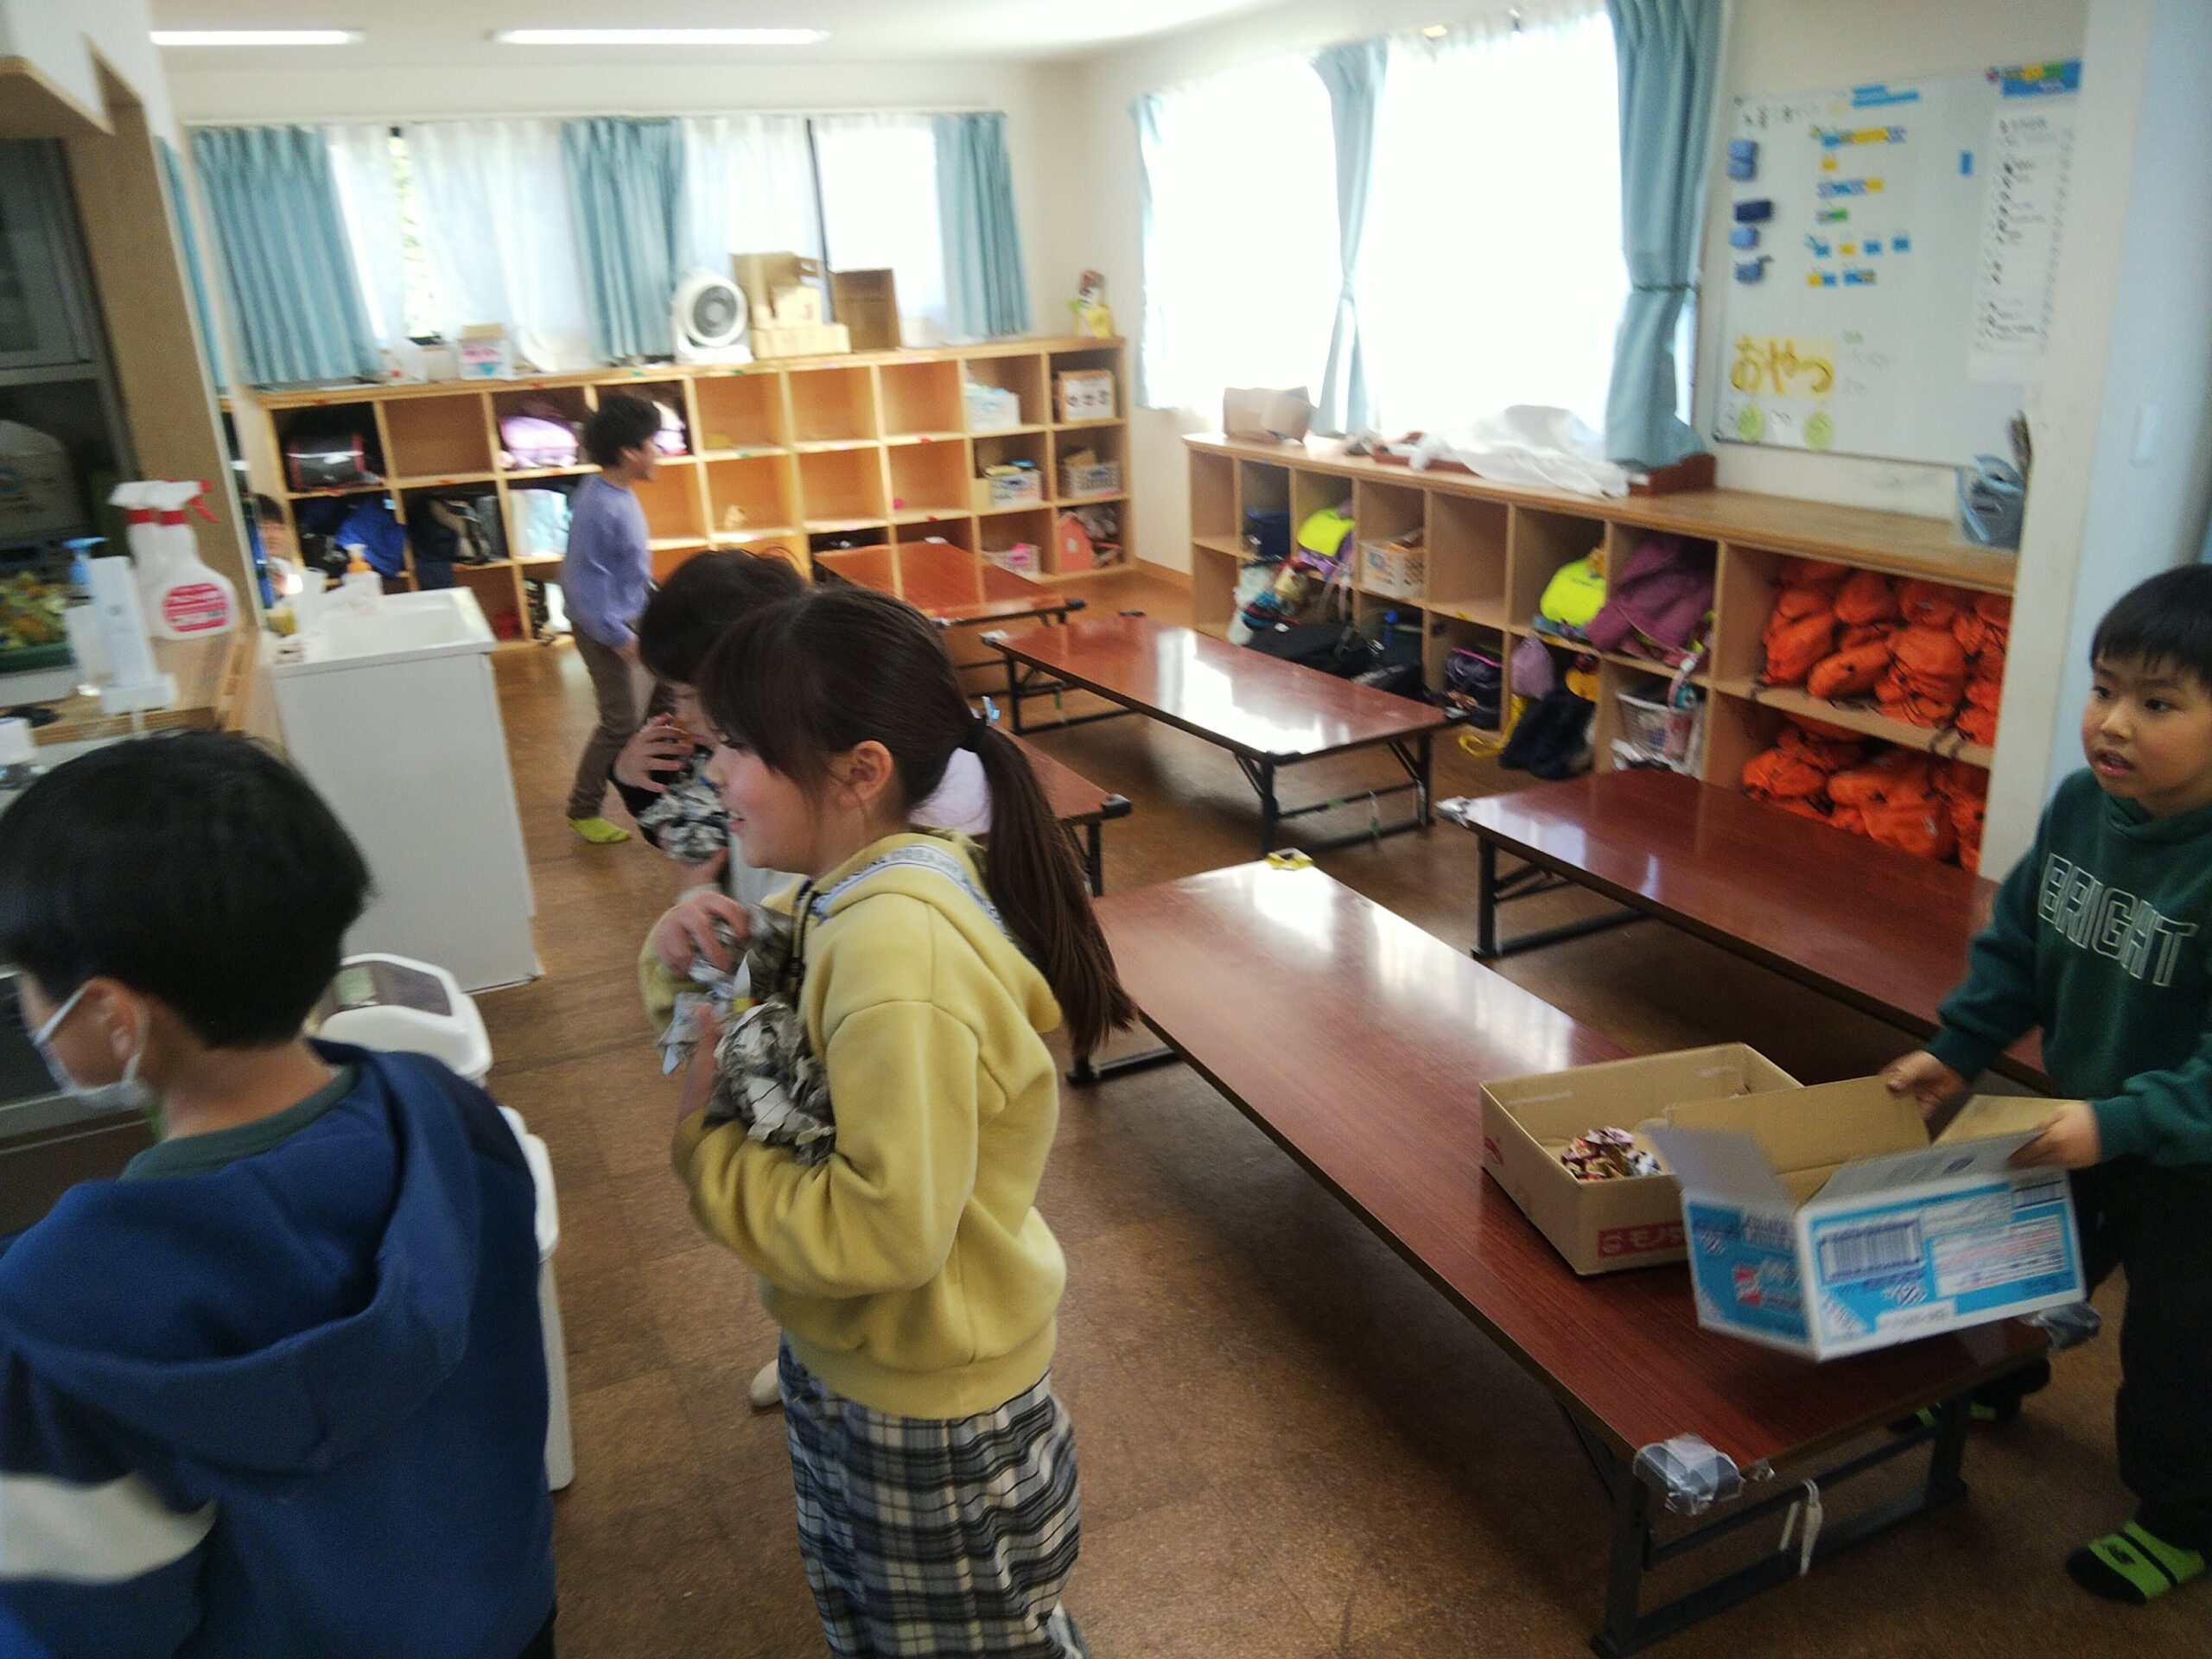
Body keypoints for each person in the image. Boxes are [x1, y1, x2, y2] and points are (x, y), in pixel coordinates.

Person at [0, 733, 556, 1657]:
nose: (24, 1002)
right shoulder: (443, 1112)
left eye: (27, 977)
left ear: (110, 1014)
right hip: (502, 1614)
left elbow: (83, 1623)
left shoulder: (56, 1308)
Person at [652, 588, 1129, 1656]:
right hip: (863, 1359)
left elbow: (887, 1232)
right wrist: (686, 953)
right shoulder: (845, 889)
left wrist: (708, 1152)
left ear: (859, 771)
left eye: (738, 748)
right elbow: (764, 1019)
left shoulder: (891, 949)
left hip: (926, 1412)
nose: (715, 773)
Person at [1885, 564, 2212, 1607]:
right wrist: (1958, 1047)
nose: (2112, 722)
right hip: (2082, 1117)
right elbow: (2020, 945)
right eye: (2103, 687)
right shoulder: (2082, 806)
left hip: (2191, 1164)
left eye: (2157, 704)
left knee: (2178, 1354)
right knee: (2015, 1262)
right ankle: (1996, 1379)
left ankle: (2180, 1517)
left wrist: (2120, 1123)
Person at [613, 549, 807, 902]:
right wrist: (636, 783)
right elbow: (685, 828)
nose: (681, 714)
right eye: (674, 696)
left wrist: (693, 894)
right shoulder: (713, 751)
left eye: (688, 696)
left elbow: (767, 924)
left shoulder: (785, 798)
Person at [563, 391, 663, 845]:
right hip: (603, 628)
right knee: (620, 722)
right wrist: (615, 635)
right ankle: (583, 808)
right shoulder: (600, 506)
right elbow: (581, 582)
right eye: (652, 444)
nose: (658, 452)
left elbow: (628, 570)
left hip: (630, 616)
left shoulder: (616, 493)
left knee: (666, 702)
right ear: (629, 453)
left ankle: (665, 787)